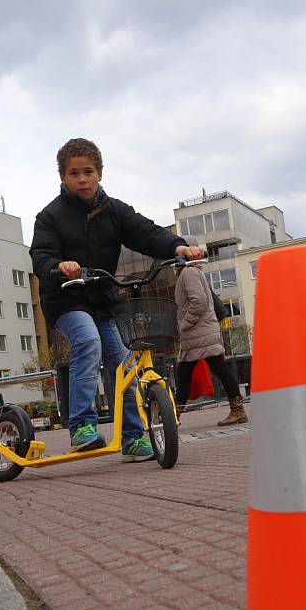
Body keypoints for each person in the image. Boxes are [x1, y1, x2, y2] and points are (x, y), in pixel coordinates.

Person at [30, 138, 202, 457]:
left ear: (100, 173)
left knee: (123, 361)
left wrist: (177, 247)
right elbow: (40, 254)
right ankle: (82, 425)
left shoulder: (115, 211)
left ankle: (133, 438)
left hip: (103, 298)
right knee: (88, 342)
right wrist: (58, 266)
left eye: (88, 172)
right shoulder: (50, 216)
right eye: (74, 173)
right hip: (66, 298)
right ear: (63, 177)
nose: (82, 179)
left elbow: (146, 233)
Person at [174, 236, 248, 426]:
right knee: (208, 371)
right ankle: (174, 416)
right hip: (200, 333)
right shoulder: (192, 272)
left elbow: (198, 301)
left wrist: (184, 324)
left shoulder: (188, 273)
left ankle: (174, 417)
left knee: (187, 374)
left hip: (198, 333)